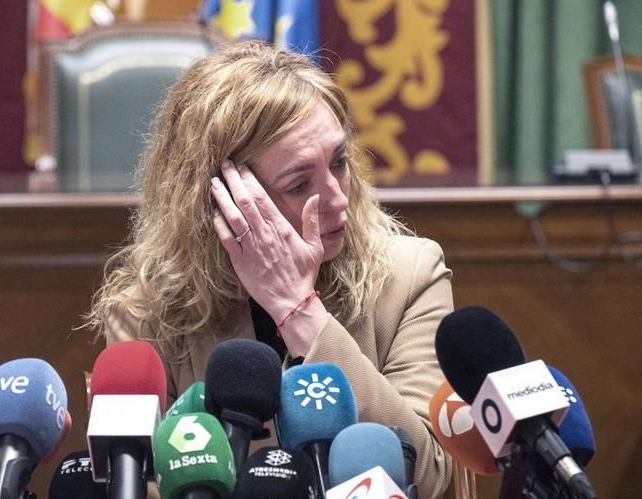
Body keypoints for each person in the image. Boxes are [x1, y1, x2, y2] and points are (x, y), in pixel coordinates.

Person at [86, 40, 453, 497]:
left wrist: (299, 310)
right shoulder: (148, 310)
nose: (338, 197)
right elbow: (141, 486)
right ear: (223, 203)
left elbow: (431, 476)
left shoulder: (410, 276)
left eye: (339, 163)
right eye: (300, 184)